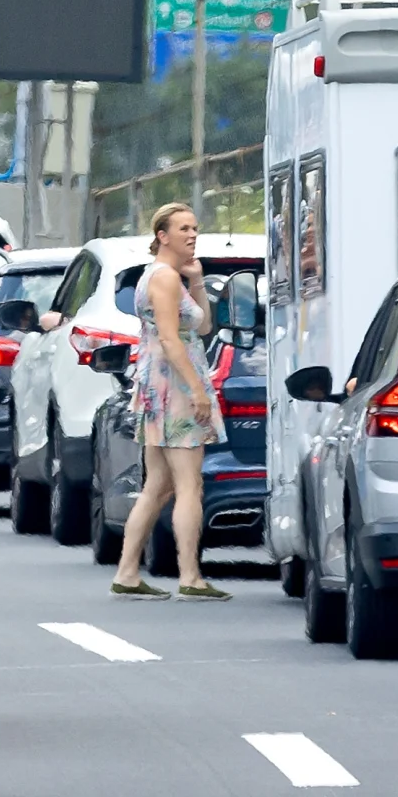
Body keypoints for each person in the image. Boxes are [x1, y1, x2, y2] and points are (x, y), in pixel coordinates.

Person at [110, 201, 227, 599]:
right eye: (183, 229)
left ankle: (127, 573)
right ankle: (190, 575)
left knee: (158, 485)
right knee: (188, 484)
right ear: (162, 236)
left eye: (195, 228)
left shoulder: (170, 278)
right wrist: (197, 390)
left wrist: (196, 281)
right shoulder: (161, 278)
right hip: (173, 385)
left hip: (160, 384)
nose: (192, 235)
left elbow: (204, 325)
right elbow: (170, 338)